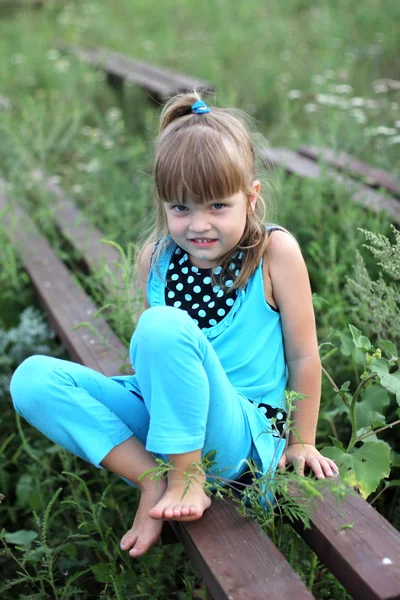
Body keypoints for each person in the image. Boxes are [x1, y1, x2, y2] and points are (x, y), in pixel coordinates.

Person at [10, 91, 338, 559]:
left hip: (239, 436)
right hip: (171, 420)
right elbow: (159, 361)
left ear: (251, 196)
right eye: (181, 208)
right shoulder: (157, 259)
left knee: (162, 326)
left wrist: (302, 442)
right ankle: (153, 479)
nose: (198, 224)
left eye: (217, 207)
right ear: (163, 202)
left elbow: (303, 355)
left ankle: (189, 478)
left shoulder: (273, 254)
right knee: (33, 380)